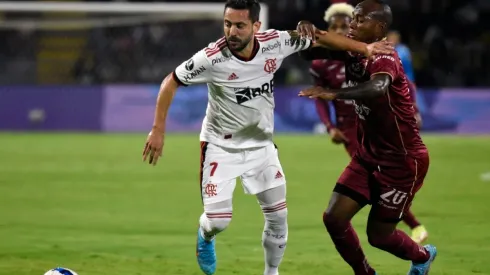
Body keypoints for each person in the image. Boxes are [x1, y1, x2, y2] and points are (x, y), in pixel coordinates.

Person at [142, 0, 394, 274]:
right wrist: (158, 129)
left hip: (261, 147)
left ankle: (271, 273)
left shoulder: (275, 42)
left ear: (256, 26)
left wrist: (365, 48)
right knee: (219, 221)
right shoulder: (211, 58)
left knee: (278, 218)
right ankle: (205, 236)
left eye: (240, 25)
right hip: (221, 147)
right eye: (227, 24)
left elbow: (320, 37)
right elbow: (172, 80)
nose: (232, 32)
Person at [298, 0, 437, 274]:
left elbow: (378, 86)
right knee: (334, 219)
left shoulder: (386, 55)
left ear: (380, 28)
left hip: (402, 161)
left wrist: (335, 94)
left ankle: (422, 257)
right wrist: (306, 33)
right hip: (367, 155)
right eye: (354, 18)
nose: (353, 24)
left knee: (379, 236)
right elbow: (309, 54)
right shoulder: (354, 48)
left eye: (360, 20)